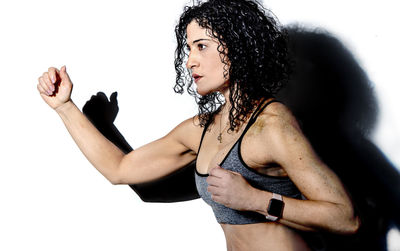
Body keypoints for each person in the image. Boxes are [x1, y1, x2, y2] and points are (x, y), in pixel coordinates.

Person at [36, 0, 359, 250]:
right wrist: (65, 107)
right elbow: (121, 170)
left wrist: (255, 200)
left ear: (238, 47)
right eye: (189, 48)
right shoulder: (202, 128)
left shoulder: (272, 125)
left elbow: (345, 218)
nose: (190, 60)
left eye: (201, 46)